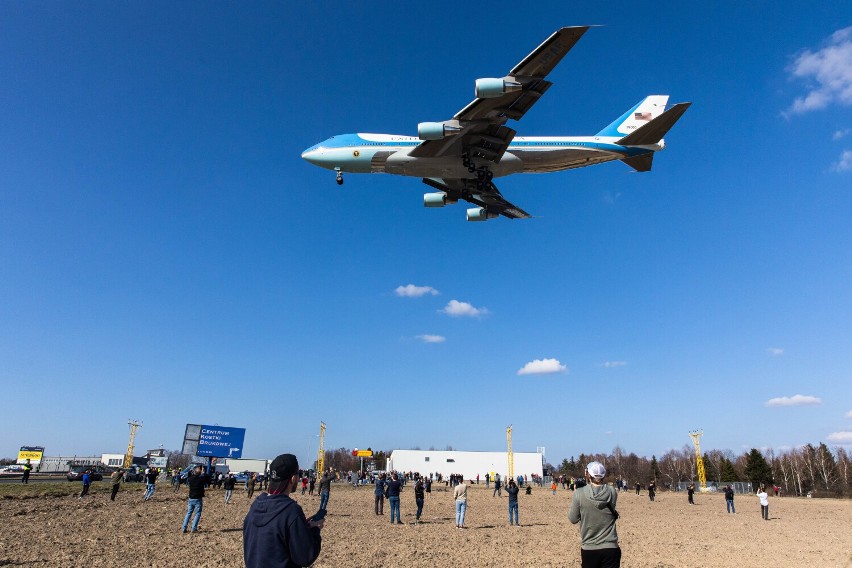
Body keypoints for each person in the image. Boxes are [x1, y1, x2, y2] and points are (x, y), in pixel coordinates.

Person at [243, 453, 325, 568]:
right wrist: (315, 530)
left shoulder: (255, 506)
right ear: (293, 478)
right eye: (298, 474)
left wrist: (301, 527)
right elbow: (305, 557)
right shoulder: (291, 511)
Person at [568, 461, 620, 568]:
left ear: (588, 474)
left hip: (589, 547)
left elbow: (573, 519)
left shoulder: (579, 493)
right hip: (610, 547)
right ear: (603, 475)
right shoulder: (612, 492)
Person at [181, 465, 210, 533]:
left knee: (189, 513)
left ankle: (184, 528)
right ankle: (193, 528)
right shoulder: (200, 479)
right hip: (198, 499)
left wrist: (194, 470)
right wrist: (203, 472)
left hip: (191, 498)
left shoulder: (190, 479)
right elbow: (207, 477)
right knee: (198, 513)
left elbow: (189, 474)